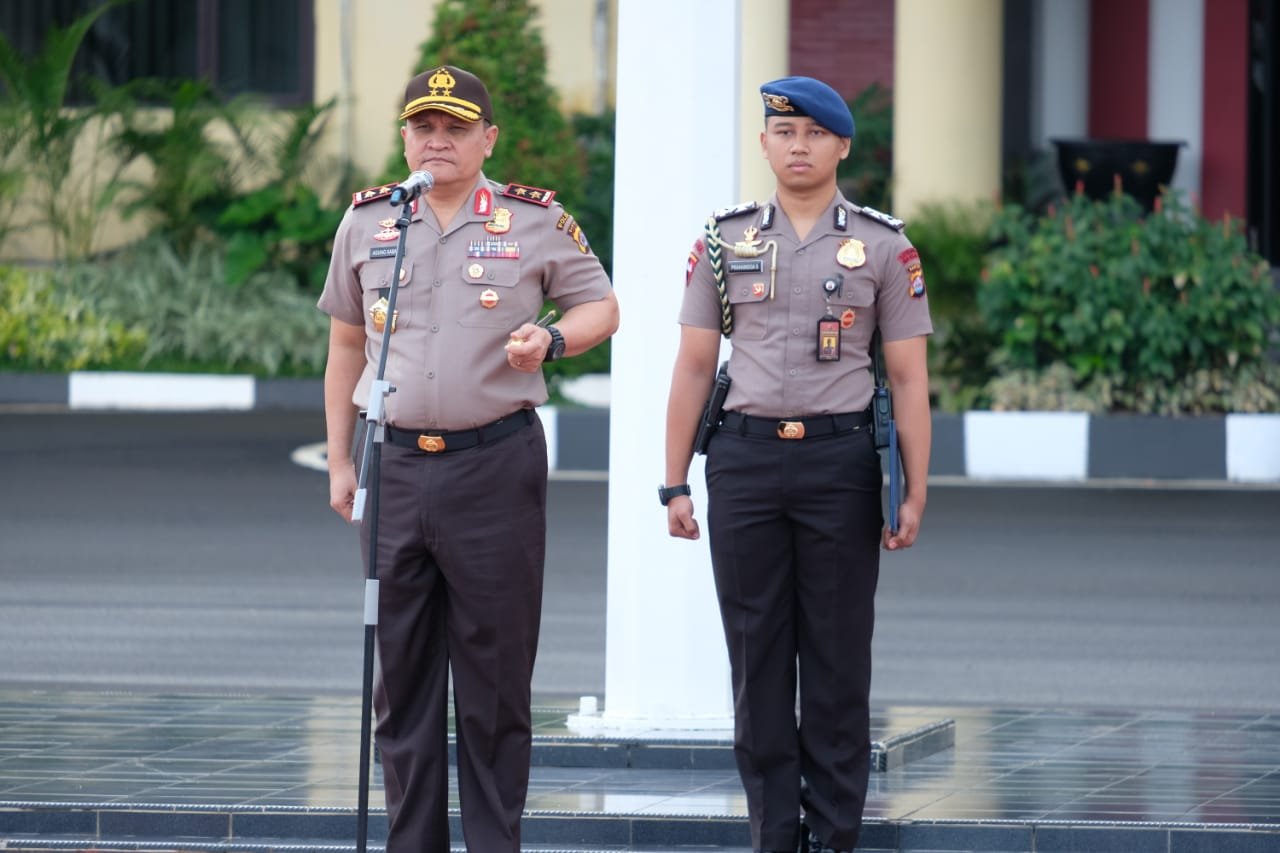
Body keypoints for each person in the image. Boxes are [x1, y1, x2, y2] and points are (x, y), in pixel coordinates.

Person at [317, 64, 619, 852]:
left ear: (488, 138)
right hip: (394, 467)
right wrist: (342, 462)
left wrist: (552, 338)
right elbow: (345, 346)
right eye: (424, 127)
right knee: (402, 681)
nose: (438, 141)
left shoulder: (534, 221)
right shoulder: (371, 221)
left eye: (455, 128)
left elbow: (602, 305)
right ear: (406, 136)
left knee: (492, 682)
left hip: (494, 465)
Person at [661, 75, 932, 853]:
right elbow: (691, 366)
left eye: (814, 133)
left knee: (839, 660)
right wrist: (674, 479)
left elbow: (909, 378)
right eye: (784, 132)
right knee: (758, 660)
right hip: (743, 461)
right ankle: (775, 833)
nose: (799, 146)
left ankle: (836, 833)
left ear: (842, 144)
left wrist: (913, 489)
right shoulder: (724, 239)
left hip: (841, 463)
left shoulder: (885, 246)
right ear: (765, 143)